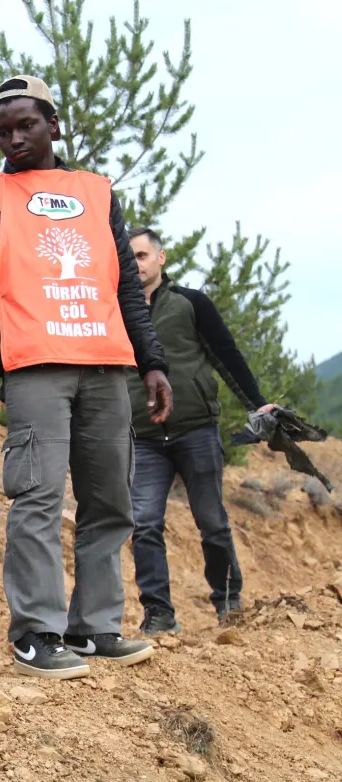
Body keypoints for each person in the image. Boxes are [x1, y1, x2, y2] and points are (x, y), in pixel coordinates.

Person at [0, 74, 174, 680]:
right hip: (34, 369)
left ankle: (96, 625)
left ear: (54, 124)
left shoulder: (97, 193)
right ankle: (37, 633)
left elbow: (126, 284)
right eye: (4, 130)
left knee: (109, 501)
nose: (15, 138)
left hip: (106, 365)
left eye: (26, 125)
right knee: (39, 500)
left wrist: (152, 361)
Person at [126, 226, 276, 635]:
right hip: (143, 437)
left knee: (211, 521)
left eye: (142, 256)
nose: (136, 264)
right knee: (144, 524)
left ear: (161, 258)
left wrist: (255, 403)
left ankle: (229, 603)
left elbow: (226, 354)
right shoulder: (117, 310)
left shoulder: (191, 303)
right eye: (129, 256)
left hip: (196, 430)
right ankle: (159, 614)